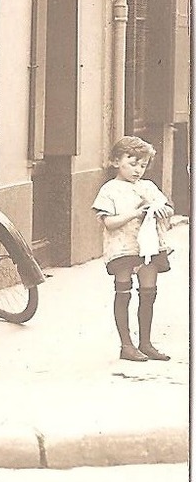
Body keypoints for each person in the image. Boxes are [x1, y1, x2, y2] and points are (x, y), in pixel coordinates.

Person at [93, 136, 176, 362]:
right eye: (132, 163)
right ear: (115, 161)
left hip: (149, 246)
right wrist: (136, 213)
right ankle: (126, 345)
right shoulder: (109, 190)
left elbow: (167, 208)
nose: (138, 170)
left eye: (143, 165)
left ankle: (146, 343)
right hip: (123, 248)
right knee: (123, 292)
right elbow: (108, 222)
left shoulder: (148, 187)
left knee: (148, 292)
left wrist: (161, 210)